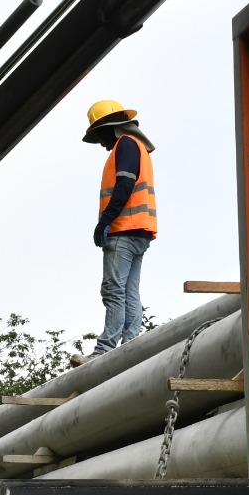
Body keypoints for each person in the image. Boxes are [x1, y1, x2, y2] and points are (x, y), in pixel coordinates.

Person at [76, 99, 158, 363]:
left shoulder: (126, 145)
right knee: (129, 290)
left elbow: (124, 185)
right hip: (140, 231)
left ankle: (105, 349)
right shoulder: (137, 146)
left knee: (113, 290)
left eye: (99, 136)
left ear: (108, 128)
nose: (101, 143)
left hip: (124, 229)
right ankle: (131, 346)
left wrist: (105, 221)